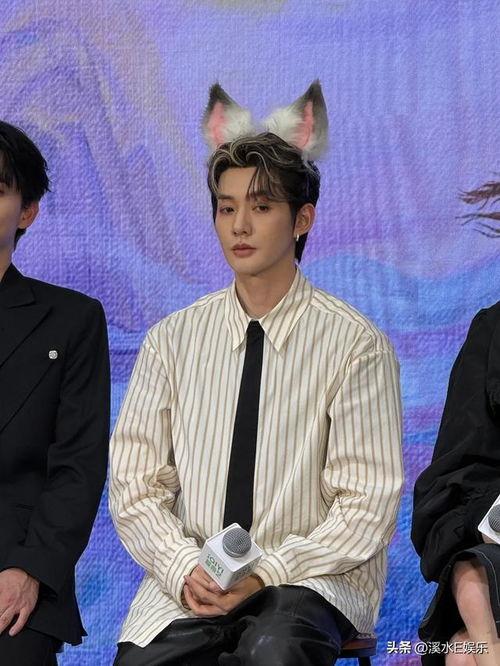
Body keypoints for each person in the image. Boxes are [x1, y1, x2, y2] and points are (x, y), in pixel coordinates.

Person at [110, 81, 403, 666]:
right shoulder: (170, 340)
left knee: (274, 652)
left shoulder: (356, 345)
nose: (240, 225)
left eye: (262, 207)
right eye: (227, 208)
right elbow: (134, 485)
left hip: (310, 580)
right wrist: (181, 566)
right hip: (190, 583)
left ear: (302, 219)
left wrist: (267, 570)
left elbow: (367, 503)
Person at [0, 121, 110, 665]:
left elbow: (78, 466)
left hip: (15, 571)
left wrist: (31, 570)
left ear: (27, 212)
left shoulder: (71, 321)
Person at [412, 179, 500, 665]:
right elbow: (450, 484)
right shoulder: (492, 334)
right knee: (468, 643)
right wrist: (490, 516)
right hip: (494, 560)